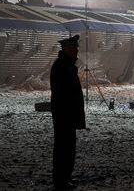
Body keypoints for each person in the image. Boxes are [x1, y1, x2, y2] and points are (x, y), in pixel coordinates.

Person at [50, 34, 86, 190]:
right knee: (64, 148)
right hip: (64, 114)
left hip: (67, 114)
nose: (77, 51)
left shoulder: (66, 65)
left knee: (68, 147)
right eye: (75, 48)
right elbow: (64, 93)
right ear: (67, 49)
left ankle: (64, 177)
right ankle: (61, 180)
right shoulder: (62, 66)